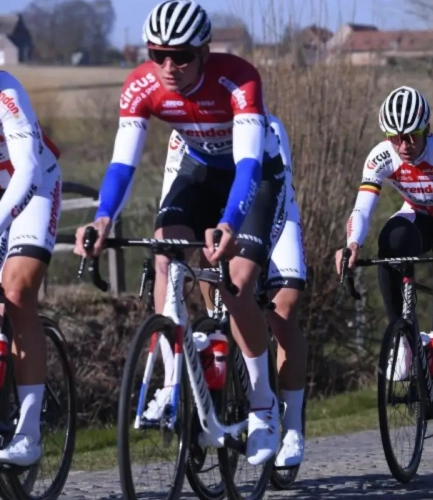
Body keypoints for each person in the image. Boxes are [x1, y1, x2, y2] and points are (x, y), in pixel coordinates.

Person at [73, 0, 285, 466]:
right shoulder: (142, 85)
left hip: (253, 176)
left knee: (238, 282)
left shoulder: (239, 78)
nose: (169, 66)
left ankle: (264, 407)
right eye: (158, 54)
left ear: (204, 51)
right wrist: (103, 216)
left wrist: (230, 221)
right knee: (166, 257)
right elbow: (122, 164)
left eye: (182, 56)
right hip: (198, 170)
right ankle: (172, 385)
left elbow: (249, 166)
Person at [335, 85, 433, 454]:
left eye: (411, 136)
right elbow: (362, 209)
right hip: (417, 216)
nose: (403, 145)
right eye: (394, 137)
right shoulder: (381, 156)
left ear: (426, 129)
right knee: (389, 244)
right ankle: (403, 337)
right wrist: (352, 244)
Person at [160, 113, 307, 466]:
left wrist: (247, 249)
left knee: (282, 310)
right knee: (210, 290)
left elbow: (277, 190)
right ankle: (208, 384)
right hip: (217, 211)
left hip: (272, 212)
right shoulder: (183, 135)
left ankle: (291, 427)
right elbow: (171, 192)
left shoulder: (267, 128)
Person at [0, 71, 62, 465]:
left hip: (33, 189)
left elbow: (26, 171)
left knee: (18, 290)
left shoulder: (7, 92)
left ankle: (29, 433)